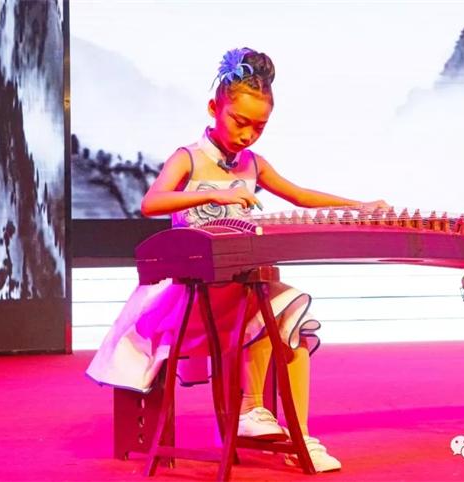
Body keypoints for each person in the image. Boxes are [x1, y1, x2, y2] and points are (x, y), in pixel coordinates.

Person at [86, 47, 388, 473]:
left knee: (292, 326)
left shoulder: (252, 164)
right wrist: (214, 194)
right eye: (239, 121)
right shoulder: (189, 158)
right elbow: (151, 202)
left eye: (259, 127)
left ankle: (299, 435)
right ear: (215, 109)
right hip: (192, 296)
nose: (247, 135)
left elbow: (300, 195)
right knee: (279, 303)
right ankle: (248, 410)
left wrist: (359, 207)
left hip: (239, 290)